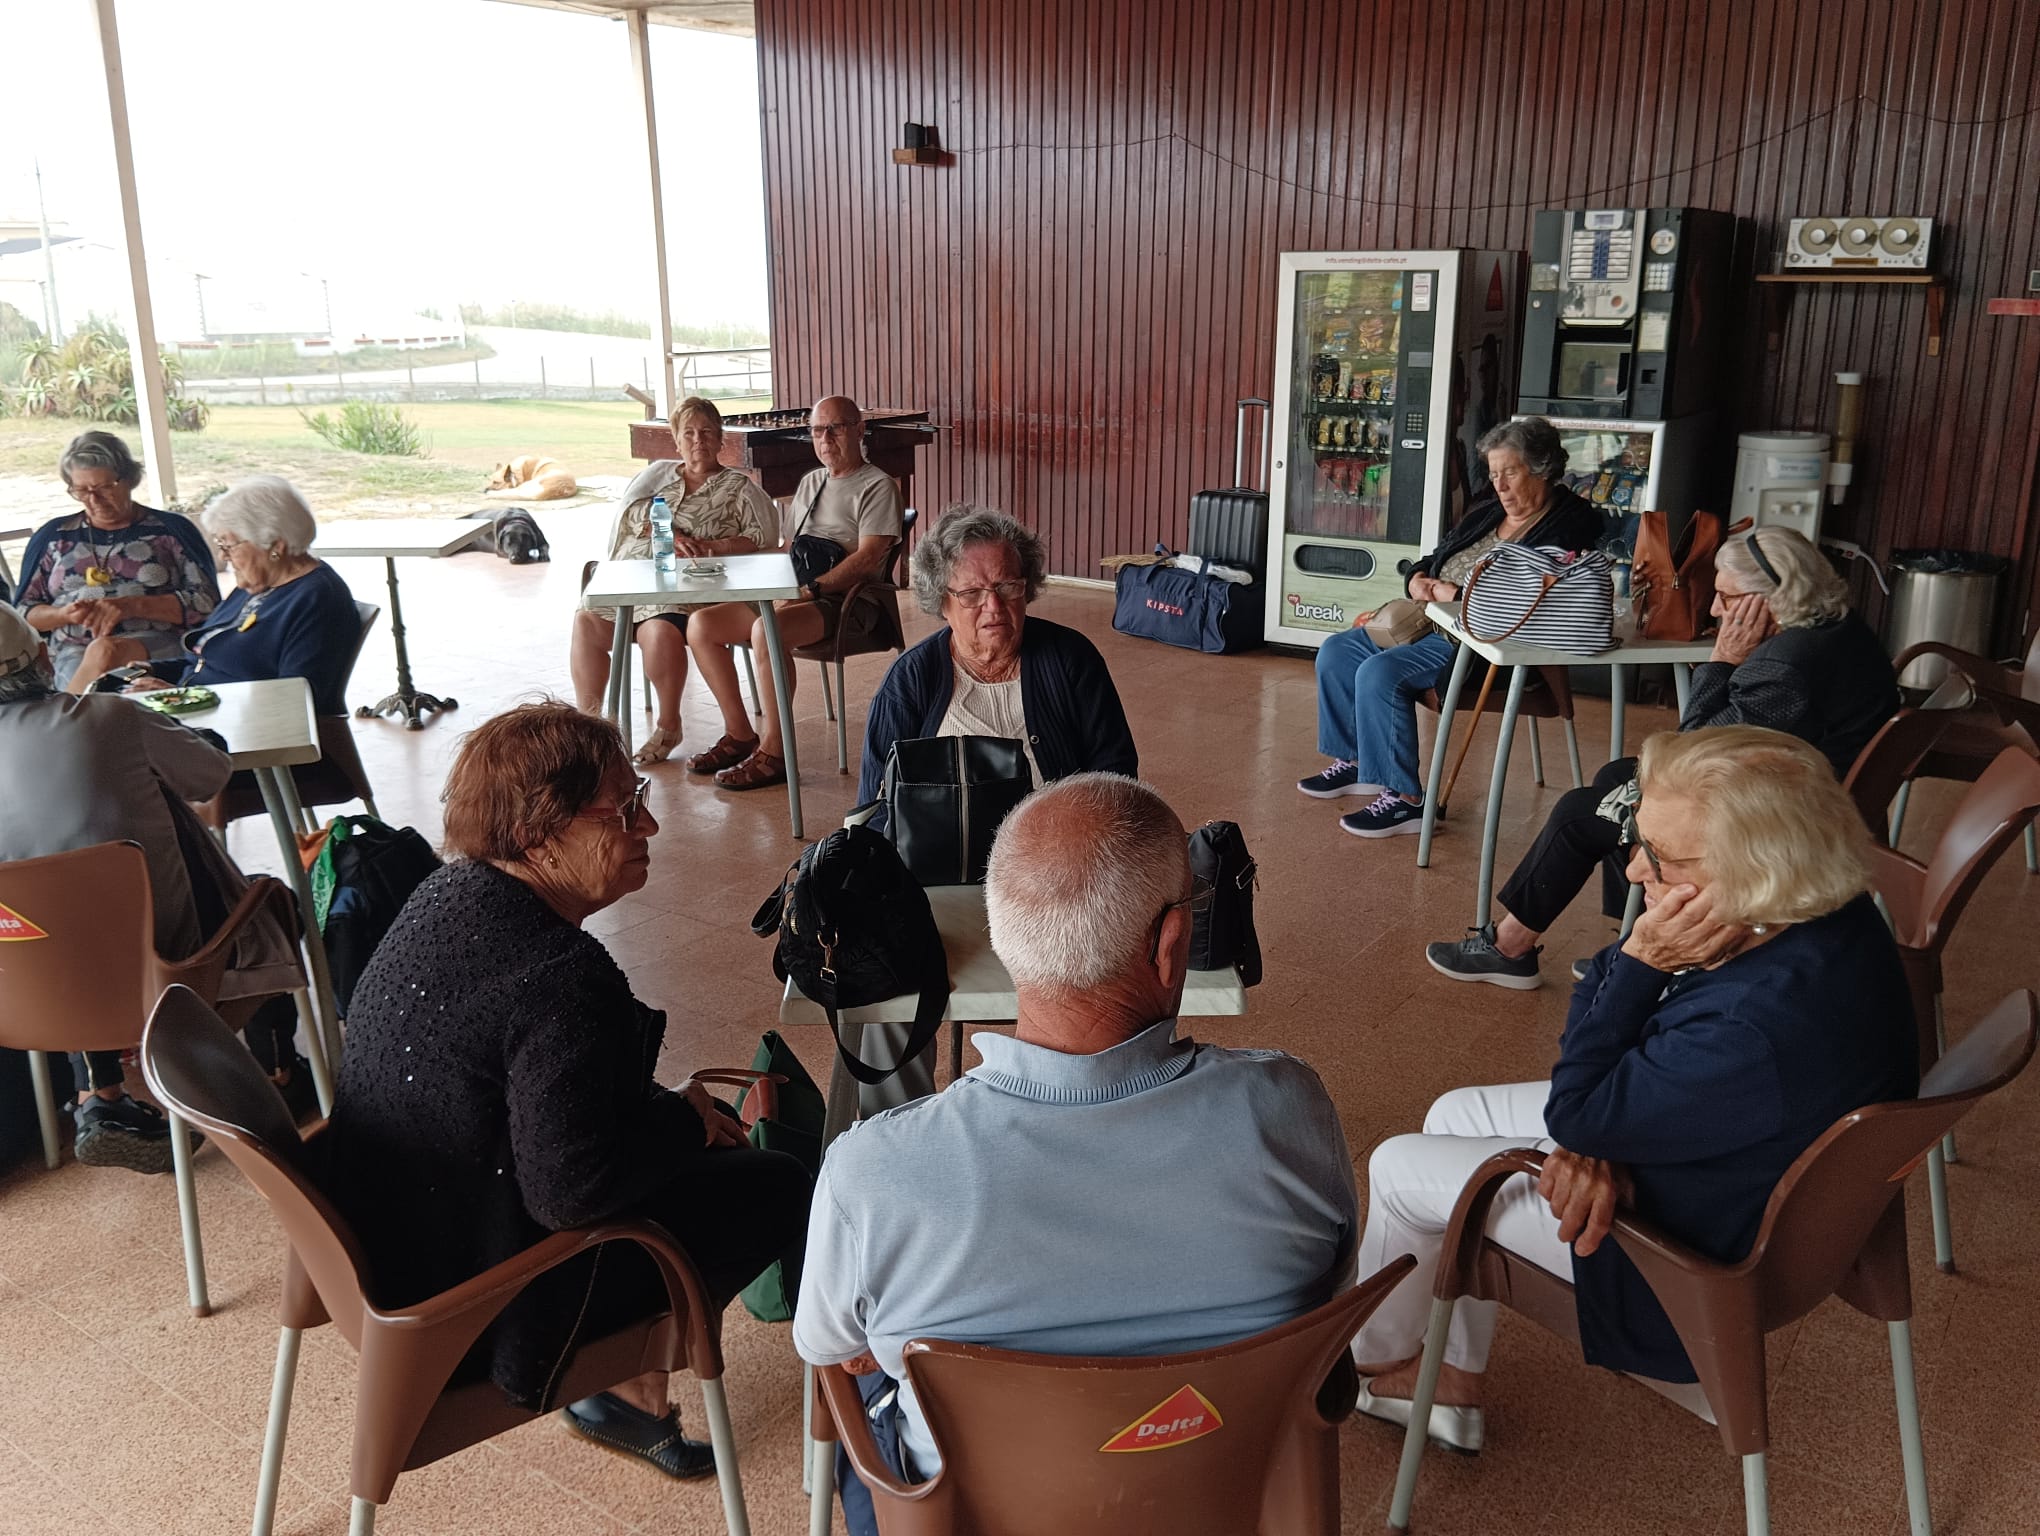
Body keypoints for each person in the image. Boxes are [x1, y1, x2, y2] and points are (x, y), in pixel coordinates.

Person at [795, 773, 1358, 1536]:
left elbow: (832, 1348)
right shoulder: (1289, 1111)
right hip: (1226, 1498)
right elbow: (1328, 1289)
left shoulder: (874, 1172)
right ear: (1171, 947)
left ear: (1001, 937)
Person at [1348, 727, 1916, 1451]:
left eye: (1662, 857)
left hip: (1685, 1255)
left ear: (1757, 870)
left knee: (1399, 1165)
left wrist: (1639, 956)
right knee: (1455, 1112)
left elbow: (1579, 1109)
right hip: (1723, 1166)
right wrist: (1601, 1144)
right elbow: (1626, 1104)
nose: (1632, 868)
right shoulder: (1823, 908)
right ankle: (1450, 1376)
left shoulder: (1755, 1026)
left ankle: (1378, 1363)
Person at [322, 702, 811, 1478]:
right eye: (624, 809)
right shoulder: (560, 976)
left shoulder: (445, 895)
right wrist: (681, 1127)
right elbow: (572, 1192)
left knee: (694, 1131)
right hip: (480, 1304)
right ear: (540, 836)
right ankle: (625, 1377)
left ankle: (628, 1385)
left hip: (394, 1240)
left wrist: (670, 1114)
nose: (647, 827)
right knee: (778, 1182)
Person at [1426, 524, 1900, 988]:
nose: (1715, 609)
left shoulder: (1786, 665)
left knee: (1578, 813)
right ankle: (1636, 939)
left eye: (1728, 599)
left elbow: (1690, 750)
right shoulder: (1837, 626)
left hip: (1776, 818)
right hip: (1801, 790)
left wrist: (1723, 659)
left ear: (1771, 600)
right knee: (1616, 774)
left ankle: (1510, 948)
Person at [0, 606, 312, 1170]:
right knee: (271, 903)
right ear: (43, 657)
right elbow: (210, 775)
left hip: (32, 992)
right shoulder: (111, 718)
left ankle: (99, 1097)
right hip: (172, 971)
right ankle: (273, 1072)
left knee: (62, 916)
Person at [1298, 416, 1602, 838]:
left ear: (1543, 468)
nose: (1501, 485)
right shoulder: (1489, 510)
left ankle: (1405, 801)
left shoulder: (1572, 521)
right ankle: (1357, 763)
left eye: (1510, 473)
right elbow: (1438, 554)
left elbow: (1523, 596)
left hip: (1476, 642)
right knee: (1338, 650)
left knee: (1378, 672)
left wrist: (1454, 592)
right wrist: (1418, 579)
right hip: (1428, 623)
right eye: (1495, 474)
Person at [684, 395, 904, 789]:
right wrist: (732, 564)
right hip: (799, 590)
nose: (826, 438)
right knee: (702, 624)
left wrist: (811, 588)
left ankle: (775, 752)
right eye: (818, 430)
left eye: (835, 428)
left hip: (847, 602)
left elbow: (870, 558)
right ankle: (739, 734)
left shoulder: (877, 485)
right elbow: (790, 550)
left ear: (858, 430)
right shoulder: (811, 482)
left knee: (767, 630)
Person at [856, 504, 1138, 807]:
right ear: (941, 601)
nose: (994, 606)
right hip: (942, 853)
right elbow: (873, 807)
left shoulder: (1071, 659)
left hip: (1058, 846)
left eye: (1007, 587)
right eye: (972, 593)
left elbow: (1116, 776)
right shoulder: (910, 679)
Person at [569, 396, 777, 765]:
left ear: (720, 439)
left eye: (707, 432)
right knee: (586, 620)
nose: (698, 440)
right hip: (637, 581)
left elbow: (762, 537)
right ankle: (590, 729)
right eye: (689, 433)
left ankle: (669, 724)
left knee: (659, 630)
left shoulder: (737, 487)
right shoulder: (659, 478)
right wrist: (664, 531)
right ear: (676, 440)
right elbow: (632, 517)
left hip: (691, 590)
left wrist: (714, 546)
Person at [118, 476, 361, 716]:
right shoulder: (258, 586)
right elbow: (207, 661)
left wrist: (181, 699)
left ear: (276, 545)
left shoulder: (316, 600)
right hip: (200, 717)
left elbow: (296, 700)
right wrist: (153, 671)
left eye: (229, 545)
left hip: (238, 733)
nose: (224, 556)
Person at [13, 430, 218, 692]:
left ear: (130, 479)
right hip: (72, 651)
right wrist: (63, 614)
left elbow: (209, 605)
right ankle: (79, 717)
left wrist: (133, 606)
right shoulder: (54, 536)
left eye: (105, 487)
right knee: (99, 654)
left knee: (106, 651)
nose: (94, 499)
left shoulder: (170, 531)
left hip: (157, 645)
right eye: (81, 490)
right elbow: (22, 615)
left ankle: (69, 716)